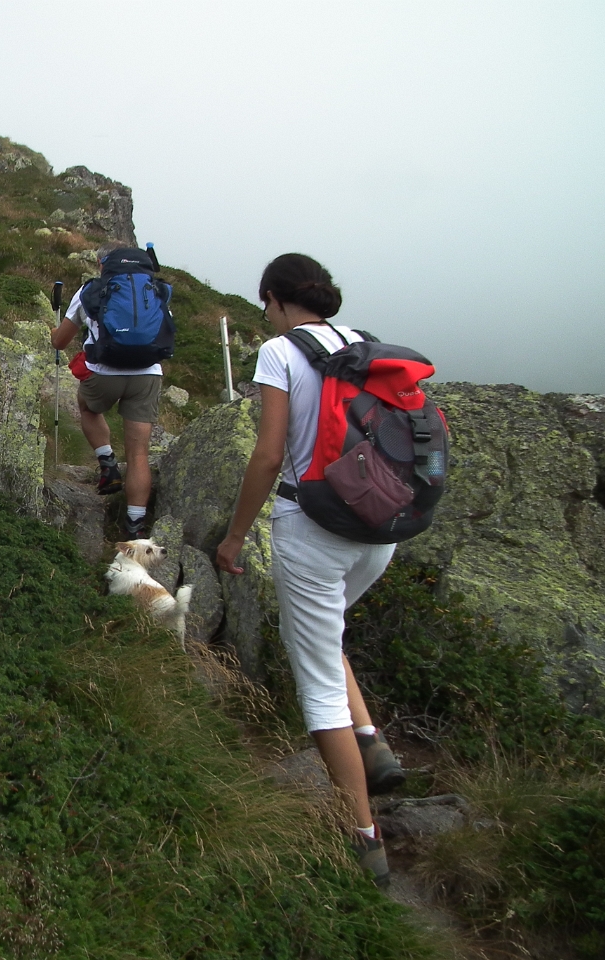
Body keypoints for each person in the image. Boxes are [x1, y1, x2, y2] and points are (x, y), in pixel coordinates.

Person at [215, 253, 406, 887]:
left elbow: (269, 456)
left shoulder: (278, 351)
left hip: (313, 529)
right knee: (326, 637)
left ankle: (362, 836)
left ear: (273, 298)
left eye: (264, 303)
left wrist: (236, 537)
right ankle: (372, 742)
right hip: (379, 528)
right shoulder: (368, 344)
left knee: (317, 681)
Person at [49, 246, 163, 539]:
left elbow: (60, 343)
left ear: (102, 264)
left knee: (88, 407)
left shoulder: (92, 290)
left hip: (103, 374)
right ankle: (135, 528)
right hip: (147, 376)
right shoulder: (155, 290)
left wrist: (54, 331)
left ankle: (108, 464)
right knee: (139, 453)